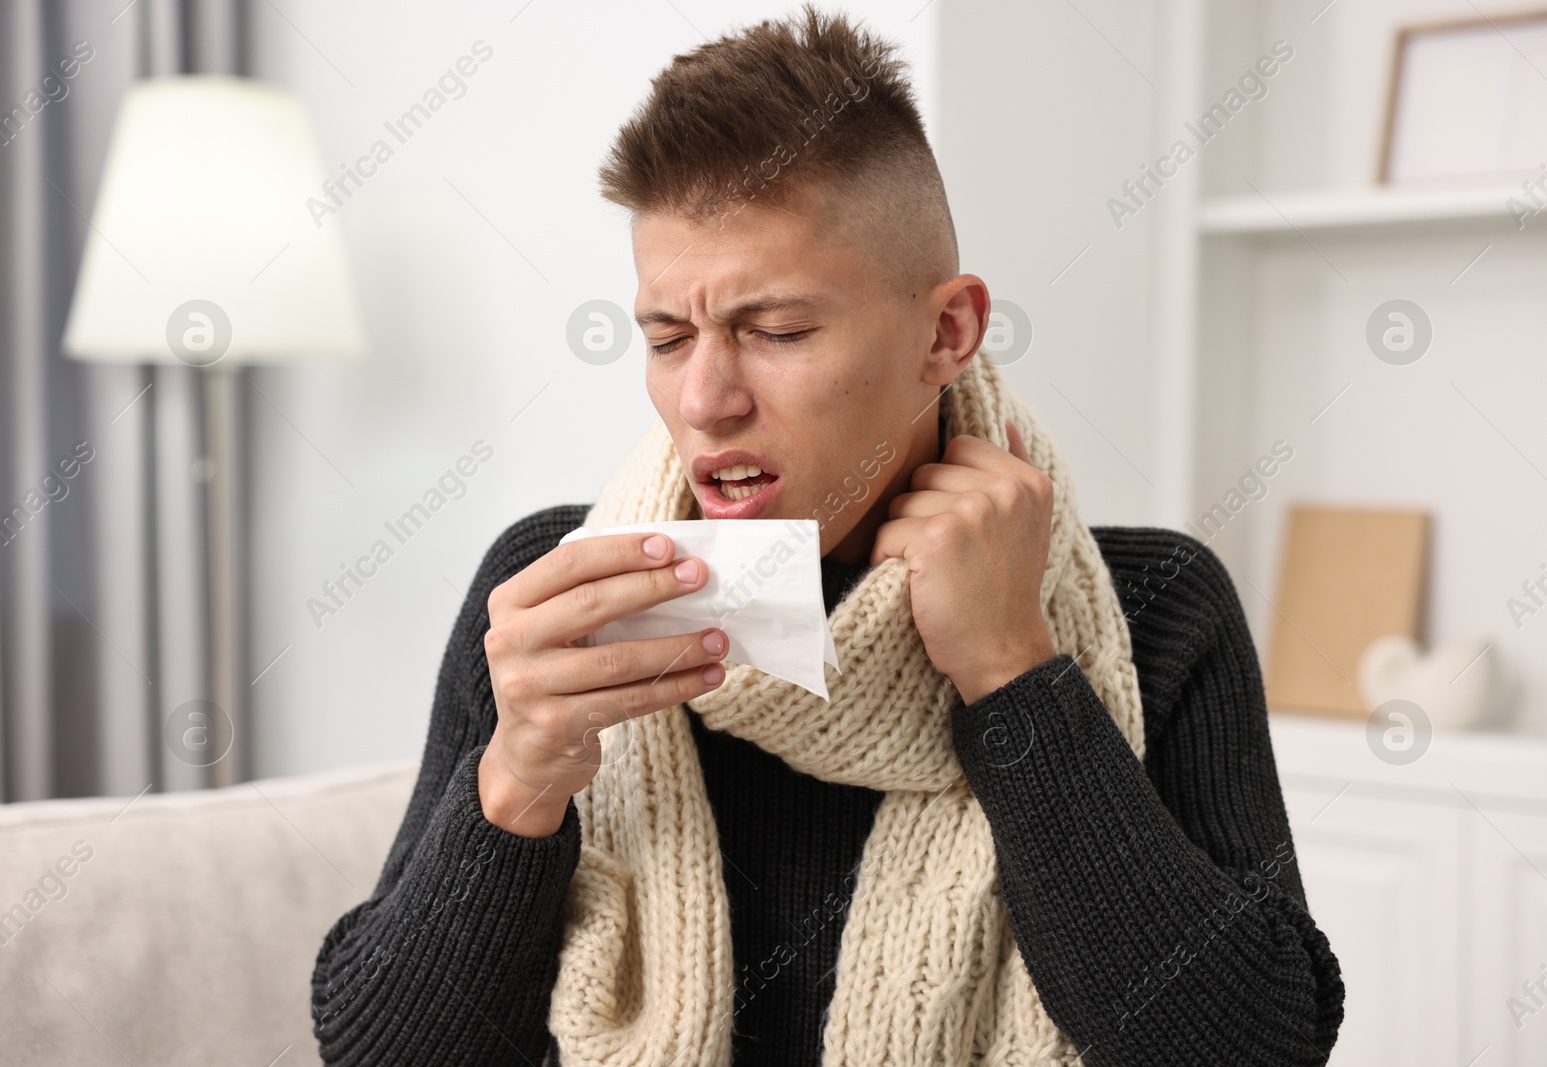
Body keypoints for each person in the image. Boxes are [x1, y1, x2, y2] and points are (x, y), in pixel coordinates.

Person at [311, 7, 1344, 1065]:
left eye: (777, 331)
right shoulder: (565, 592)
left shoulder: (1152, 603)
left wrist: (1012, 668)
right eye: (667, 337)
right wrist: (518, 781)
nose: (705, 397)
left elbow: (1255, 1048)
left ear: (945, 331)